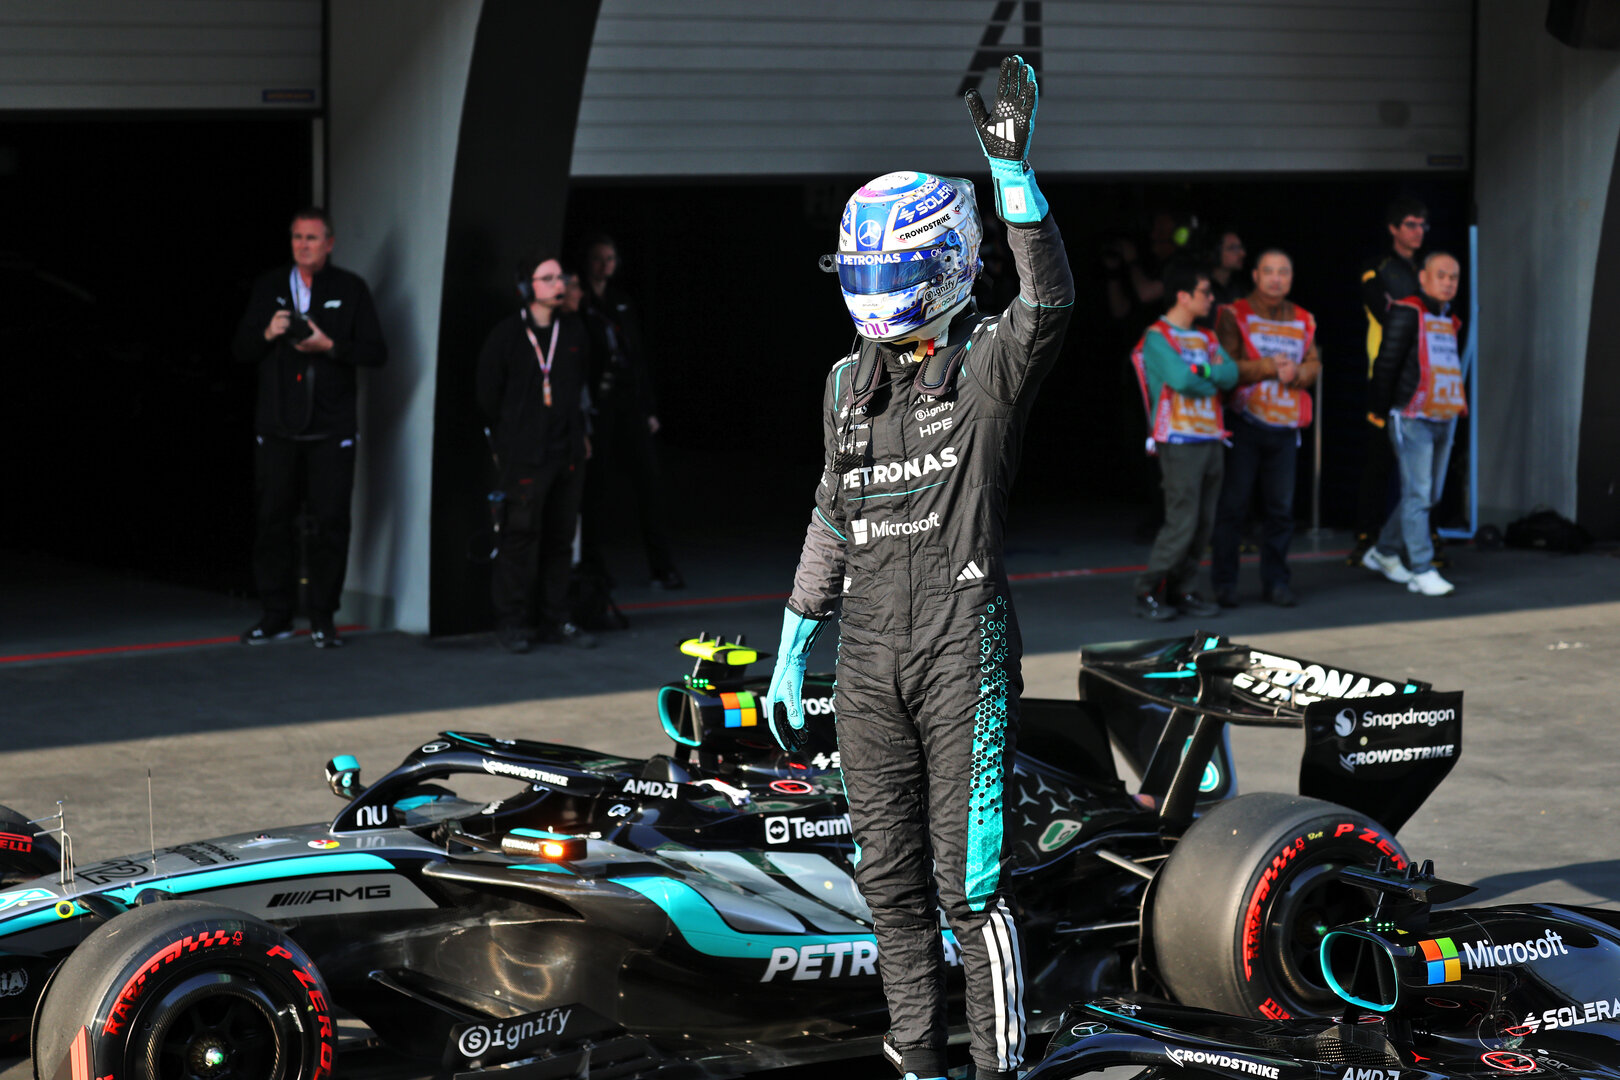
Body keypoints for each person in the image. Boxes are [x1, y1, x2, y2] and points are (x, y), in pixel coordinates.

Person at [763, 56, 1073, 1080]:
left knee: (968, 890)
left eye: (892, 271)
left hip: (961, 647)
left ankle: (998, 1070)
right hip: (866, 657)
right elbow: (831, 511)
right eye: (864, 272)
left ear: (943, 267)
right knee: (887, 883)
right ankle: (916, 1061)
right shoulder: (842, 384)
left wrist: (1014, 181)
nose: (876, 292)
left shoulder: (986, 366)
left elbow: (1048, 303)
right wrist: (794, 639)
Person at [232, 208, 386, 648]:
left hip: (331, 427)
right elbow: (241, 350)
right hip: (277, 426)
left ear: (329, 243)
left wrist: (330, 346)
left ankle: (323, 617)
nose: (303, 245)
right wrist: (268, 332)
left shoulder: (351, 288)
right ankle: (276, 615)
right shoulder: (269, 286)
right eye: (297, 237)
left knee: (331, 522)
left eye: (312, 238)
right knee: (272, 521)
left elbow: (376, 352)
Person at [476, 254, 596, 652]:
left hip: (567, 452)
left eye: (561, 277)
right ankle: (511, 622)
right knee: (518, 538)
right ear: (527, 287)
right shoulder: (508, 335)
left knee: (561, 539)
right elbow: (487, 395)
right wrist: (510, 439)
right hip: (525, 456)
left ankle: (556, 619)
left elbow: (583, 384)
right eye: (548, 278)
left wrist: (581, 434)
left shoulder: (574, 330)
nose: (559, 284)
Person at [1211, 249, 1320, 607]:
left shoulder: (1303, 317)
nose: (1276, 279)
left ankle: (1277, 582)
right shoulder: (1234, 313)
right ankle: (1224, 584)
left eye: (1283, 272)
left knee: (1281, 511)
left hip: (1285, 427)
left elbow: (1314, 363)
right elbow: (1225, 368)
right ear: (1255, 275)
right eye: (1269, 271)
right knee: (1233, 507)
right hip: (1245, 423)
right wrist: (1269, 367)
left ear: (1291, 278)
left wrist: (1299, 372)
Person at [1130, 262, 1239, 620]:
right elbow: (1182, 381)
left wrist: (1205, 371)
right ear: (1183, 296)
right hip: (1178, 440)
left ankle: (1183, 589)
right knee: (1182, 523)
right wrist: (1210, 377)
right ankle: (1147, 590)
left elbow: (1231, 373)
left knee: (1204, 524)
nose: (1211, 298)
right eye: (1205, 292)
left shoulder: (1207, 337)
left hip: (1211, 437)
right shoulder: (1158, 336)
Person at [577, 235, 684, 590]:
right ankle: (592, 566)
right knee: (595, 488)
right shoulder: (579, 302)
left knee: (649, 483)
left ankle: (662, 566)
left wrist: (648, 408)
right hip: (598, 406)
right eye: (598, 258)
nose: (604, 265)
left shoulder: (621, 302)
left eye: (610, 258)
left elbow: (637, 357)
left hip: (630, 403)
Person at [1362, 251, 1465, 597]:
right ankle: (1422, 568)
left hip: (1443, 415)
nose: (1448, 283)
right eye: (1441, 275)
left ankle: (1384, 552)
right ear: (1422, 278)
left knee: (1427, 495)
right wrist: (1380, 410)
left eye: (1453, 277)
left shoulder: (1449, 317)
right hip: (1411, 416)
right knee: (1419, 494)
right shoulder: (1407, 311)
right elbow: (1386, 362)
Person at [1350, 197, 1428, 565]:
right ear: (1393, 228)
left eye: (1422, 225)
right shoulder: (1376, 269)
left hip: (1425, 379)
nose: (1418, 231)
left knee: (1423, 466)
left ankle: (1418, 539)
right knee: (1380, 460)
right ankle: (1366, 537)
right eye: (1410, 224)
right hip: (1386, 375)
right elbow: (1387, 314)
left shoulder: (1429, 271)